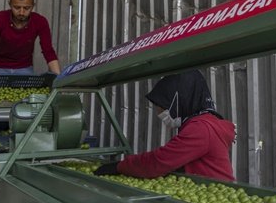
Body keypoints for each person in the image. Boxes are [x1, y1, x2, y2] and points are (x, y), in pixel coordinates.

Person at [94, 70, 236, 181]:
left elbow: (159, 162)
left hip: (212, 197)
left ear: (180, 100)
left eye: (162, 106)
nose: (159, 112)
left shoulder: (201, 128)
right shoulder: (206, 122)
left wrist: (120, 166)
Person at [0, 0, 61, 103]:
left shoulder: (40, 21)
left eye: (26, 8)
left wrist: (59, 78)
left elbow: (48, 51)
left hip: (24, 70)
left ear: (33, 6)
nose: (22, 12)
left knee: (24, 107)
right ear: (10, 4)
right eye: (17, 7)